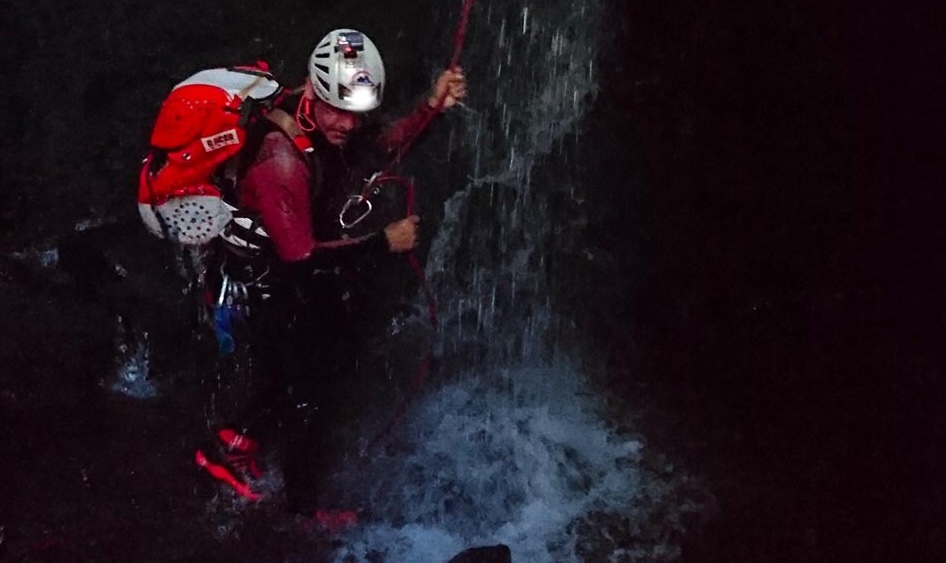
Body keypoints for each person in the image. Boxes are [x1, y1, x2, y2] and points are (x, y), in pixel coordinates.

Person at [194, 28, 467, 510]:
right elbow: (300, 258)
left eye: (355, 114)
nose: (347, 124)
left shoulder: (320, 119)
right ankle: (293, 503)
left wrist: (431, 108)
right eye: (338, 110)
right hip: (265, 279)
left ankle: (237, 446)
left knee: (315, 365)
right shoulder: (281, 163)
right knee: (308, 389)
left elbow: (376, 152)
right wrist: (383, 241)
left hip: (286, 264)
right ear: (314, 91)